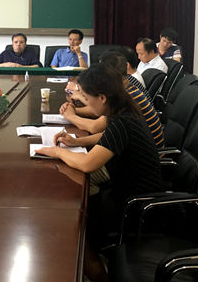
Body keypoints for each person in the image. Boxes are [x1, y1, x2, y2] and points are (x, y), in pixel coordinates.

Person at [35, 64, 163, 281]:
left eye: (86, 98)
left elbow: (87, 164)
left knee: (75, 226)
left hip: (136, 206)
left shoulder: (122, 121)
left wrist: (56, 151)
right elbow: (107, 137)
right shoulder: (123, 110)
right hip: (127, 192)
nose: (84, 102)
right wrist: (77, 141)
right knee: (76, 200)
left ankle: (97, 272)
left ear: (102, 98)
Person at [59, 51, 165, 148]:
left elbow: (95, 127)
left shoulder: (127, 96)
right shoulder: (125, 85)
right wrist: (75, 110)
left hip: (144, 152)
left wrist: (71, 116)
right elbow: (103, 123)